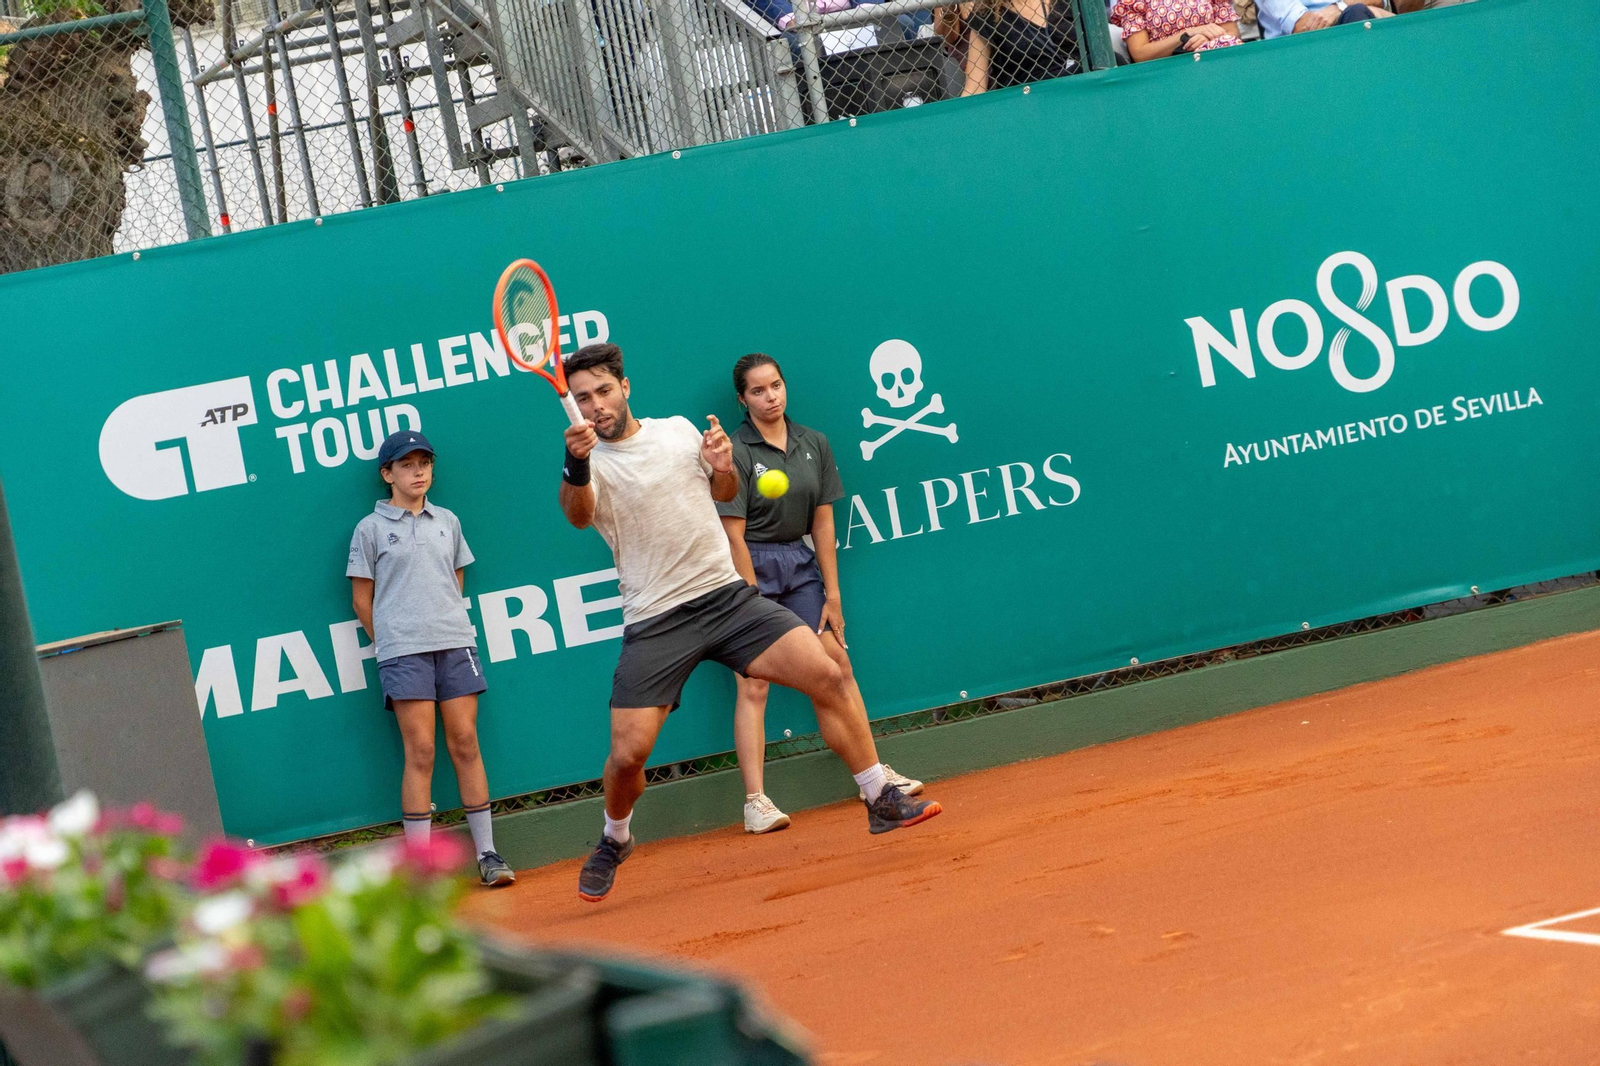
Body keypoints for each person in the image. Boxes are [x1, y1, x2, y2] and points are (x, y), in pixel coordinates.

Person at [557, 342, 942, 903]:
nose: (595, 406)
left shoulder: (677, 433)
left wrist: (719, 468)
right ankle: (616, 835)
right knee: (628, 755)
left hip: (727, 598)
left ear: (626, 387)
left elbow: (724, 492)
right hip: (657, 617)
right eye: (583, 398)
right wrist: (576, 462)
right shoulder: (586, 462)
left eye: (604, 391)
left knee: (829, 672)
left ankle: (877, 793)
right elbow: (579, 515)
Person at [717, 354, 924, 835]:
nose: (771, 397)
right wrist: (748, 594)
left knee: (835, 666)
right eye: (758, 391)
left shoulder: (814, 442)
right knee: (754, 684)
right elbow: (732, 533)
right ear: (742, 400)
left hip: (801, 566)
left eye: (776, 386)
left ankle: (871, 776)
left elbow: (824, 523)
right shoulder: (736, 452)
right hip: (751, 565)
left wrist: (832, 594)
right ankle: (755, 802)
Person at [347, 431, 515, 888]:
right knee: (420, 751)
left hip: (456, 643)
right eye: (406, 465)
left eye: (424, 463)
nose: (418, 471)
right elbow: (363, 599)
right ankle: (421, 872)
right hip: (403, 654)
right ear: (387, 474)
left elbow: (454, 581)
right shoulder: (370, 529)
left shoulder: (449, 521)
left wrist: (439, 625)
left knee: (465, 742)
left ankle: (488, 854)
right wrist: (397, 640)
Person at [961, 0, 1079, 96]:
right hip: (1030, 99)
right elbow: (975, 87)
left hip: (1080, 85)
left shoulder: (1070, 3)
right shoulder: (986, 14)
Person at [1111, 0, 1241, 60]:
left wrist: (1206, 37)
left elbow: (1232, 33)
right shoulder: (1133, 2)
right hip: (1168, 65)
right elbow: (1140, 53)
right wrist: (1187, 35)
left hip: (1214, 55)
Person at [1255, 0, 1392, 37]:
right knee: (1357, 14)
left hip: (1357, 24)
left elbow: (1378, 0)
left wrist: (1339, 8)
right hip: (1298, 53)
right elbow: (1303, 26)